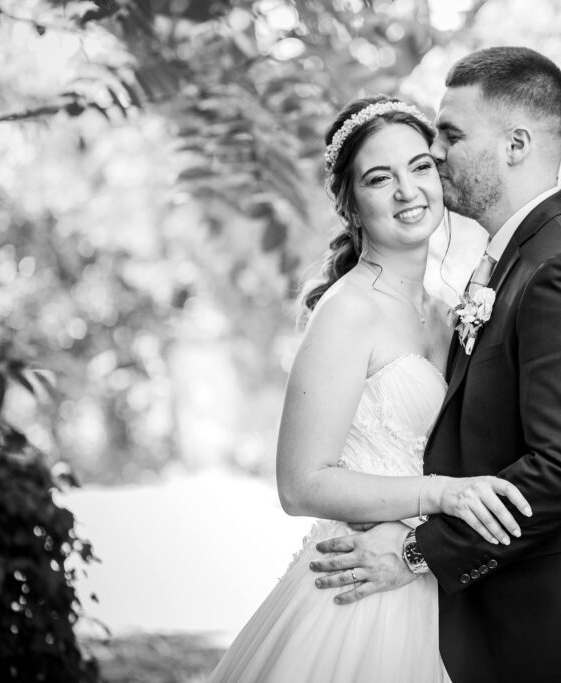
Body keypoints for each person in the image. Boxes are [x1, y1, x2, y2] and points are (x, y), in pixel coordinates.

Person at [311, 47, 561, 683]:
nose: (437, 156)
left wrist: (414, 550)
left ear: (516, 144)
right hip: (501, 619)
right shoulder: (507, 264)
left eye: (451, 135)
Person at [207, 95, 533, 683]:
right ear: (351, 205)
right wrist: (442, 496)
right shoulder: (349, 311)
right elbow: (301, 484)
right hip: (357, 592)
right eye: (380, 178)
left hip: (426, 576)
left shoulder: (449, 309)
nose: (408, 190)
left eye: (421, 166)